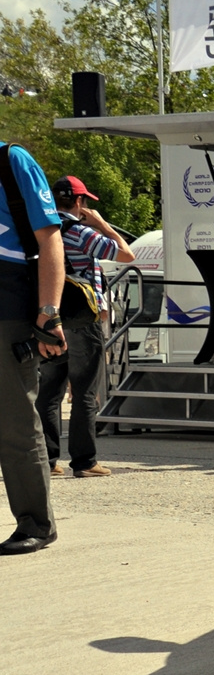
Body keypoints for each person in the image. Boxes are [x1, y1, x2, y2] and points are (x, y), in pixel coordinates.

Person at [38, 175, 134, 478]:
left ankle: (48, 460)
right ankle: (85, 461)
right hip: (83, 321)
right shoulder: (81, 232)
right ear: (79, 202)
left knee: (49, 391)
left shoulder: (41, 231)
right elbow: (127, 254)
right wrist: (102, 224)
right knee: (83, 391)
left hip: (50, 319)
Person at [0, 141, 67, 554]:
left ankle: (35, 524)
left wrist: (49, 312)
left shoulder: (12, 160)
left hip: (8, 304)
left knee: (15, 421)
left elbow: (50, 238)